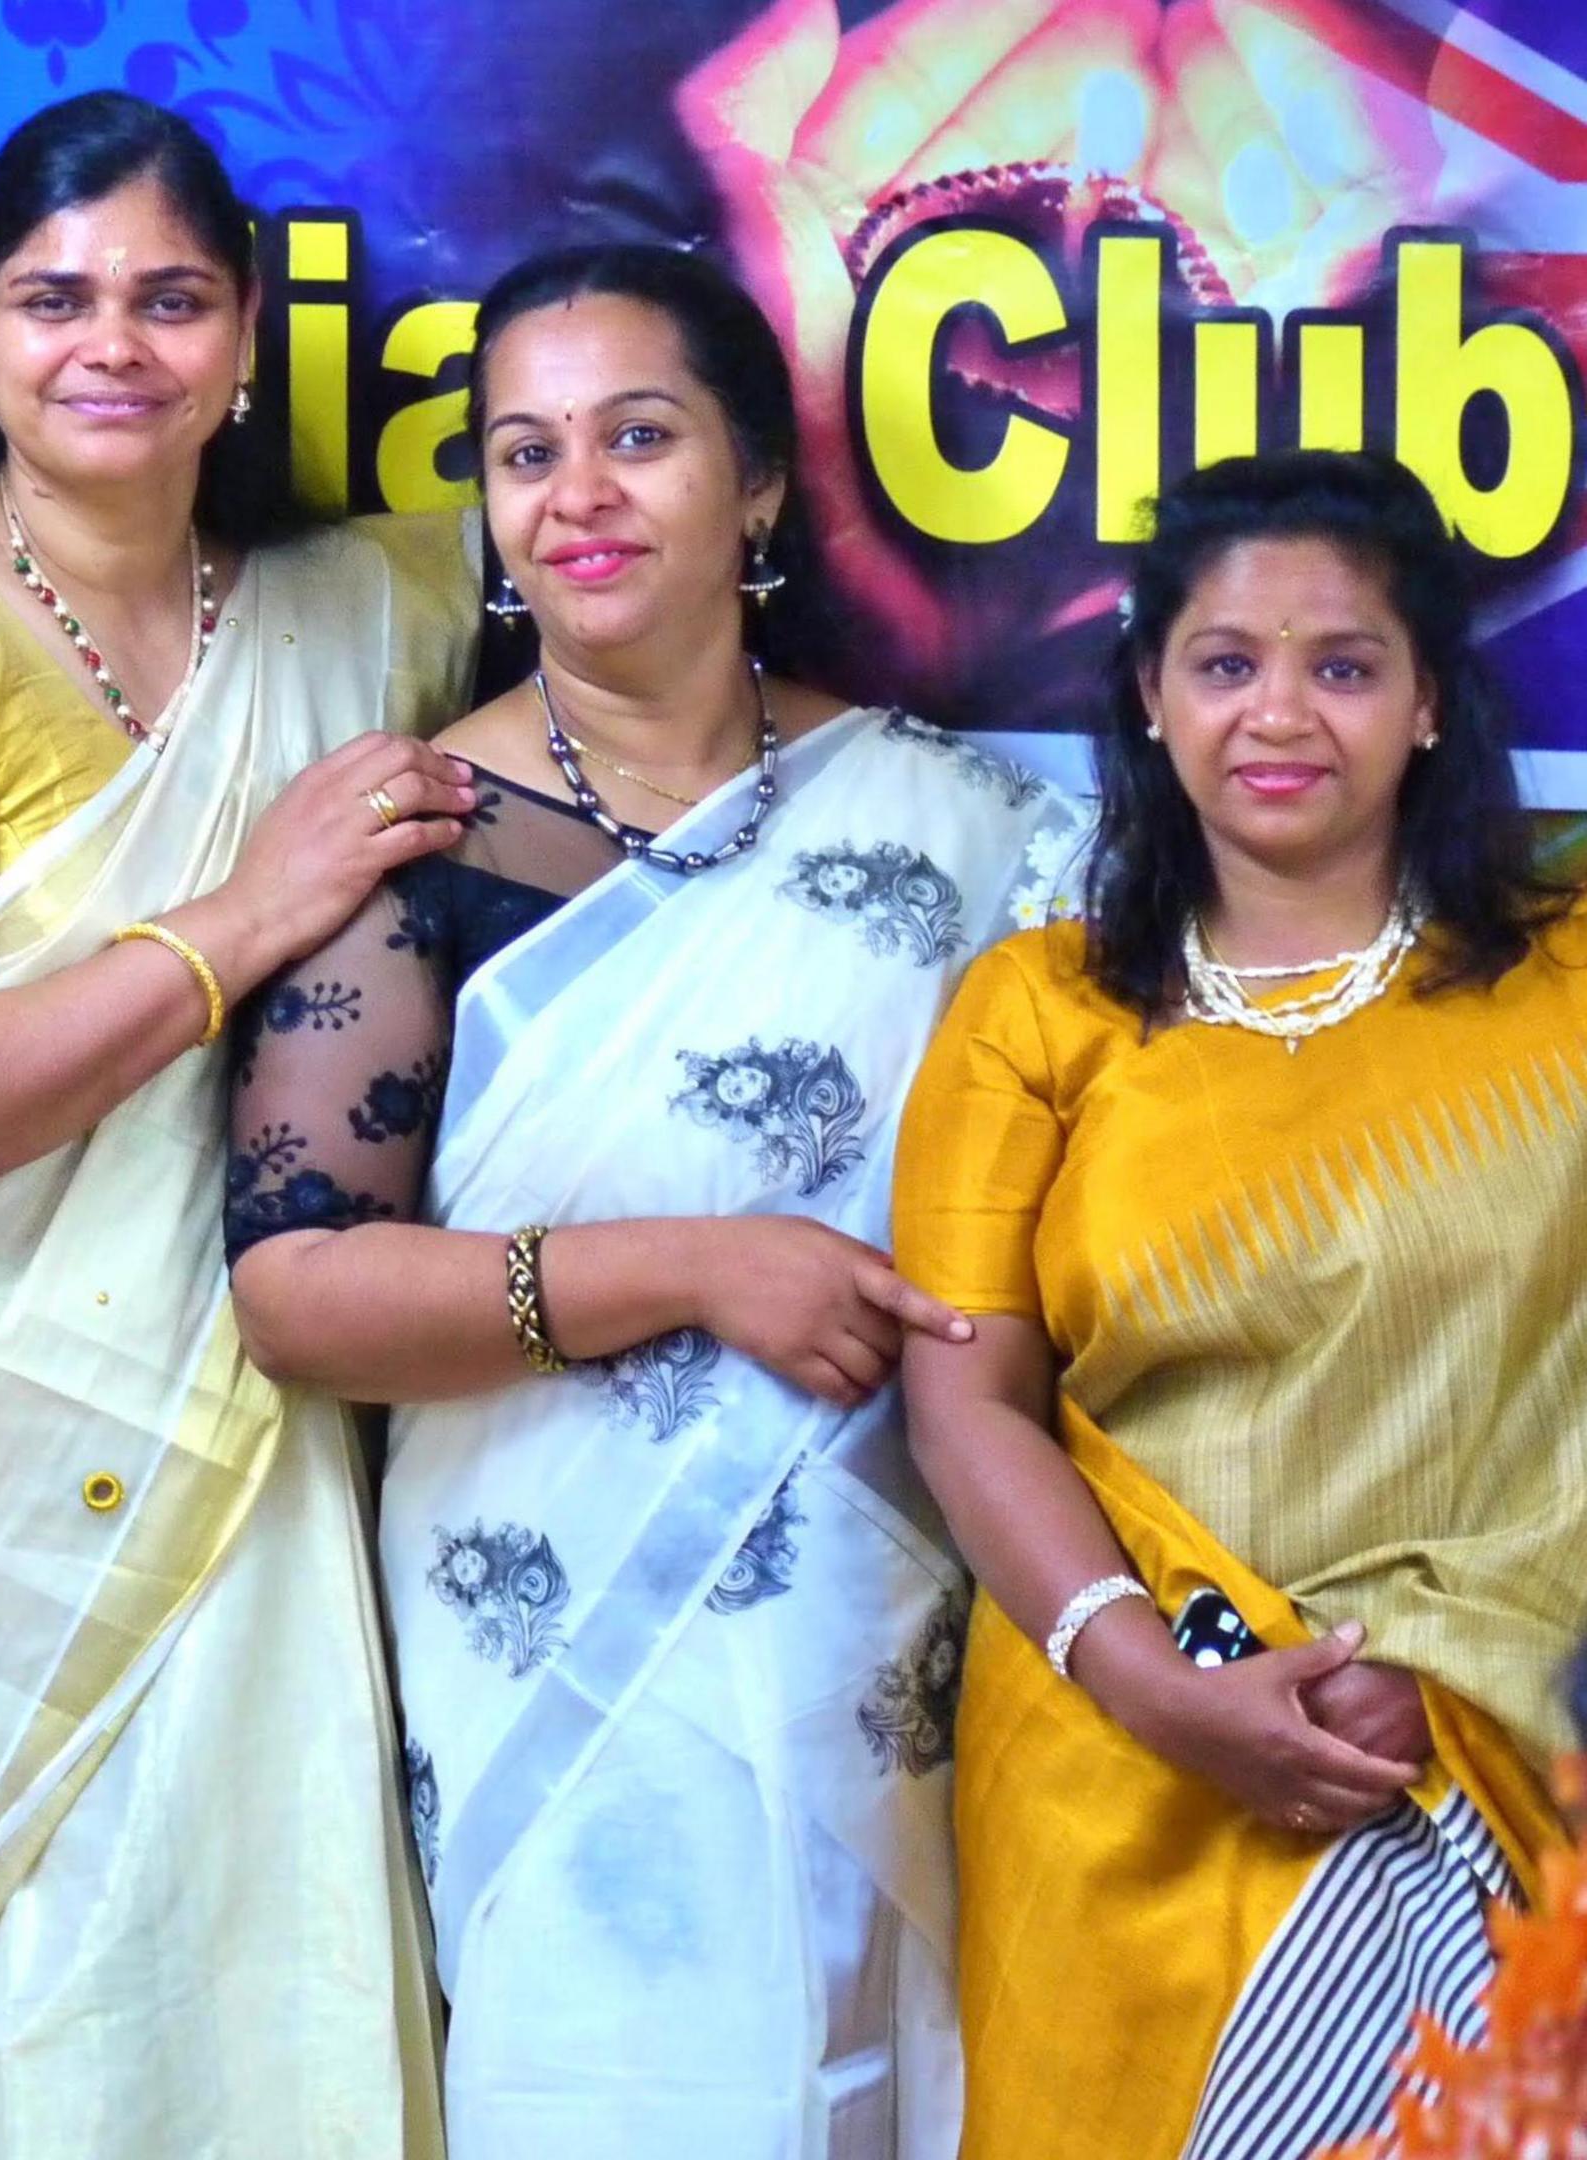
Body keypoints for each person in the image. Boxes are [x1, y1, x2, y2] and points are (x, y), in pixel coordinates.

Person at [222, 243, 1087, 2158]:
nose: (579, 494)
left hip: (898, 1647)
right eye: (525, 454)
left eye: (639, 436)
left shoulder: (963, 826)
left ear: (760, 482)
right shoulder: (409, 838)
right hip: (552, 1648)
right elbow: (298, 1293)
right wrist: (693, 1270)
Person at [0, 91, 486, 2160]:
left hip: (241, 1434)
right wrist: (246, 917)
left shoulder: (360, 615)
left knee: (241, 2001)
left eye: (166, 298)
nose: (108, 344)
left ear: (244, 339)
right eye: (53, 299)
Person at [893, 448, 1586, 2159]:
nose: (1282, 714)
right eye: (1226, 663)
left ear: (1428, 702)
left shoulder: (1566, 991)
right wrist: (1145, 1682)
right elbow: (966, 1394)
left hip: (1481, 1760)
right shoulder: (1036, 1010)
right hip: (1109, 1766)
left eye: (1344, 665)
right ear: (1148, 696)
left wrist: (1454, 1664)